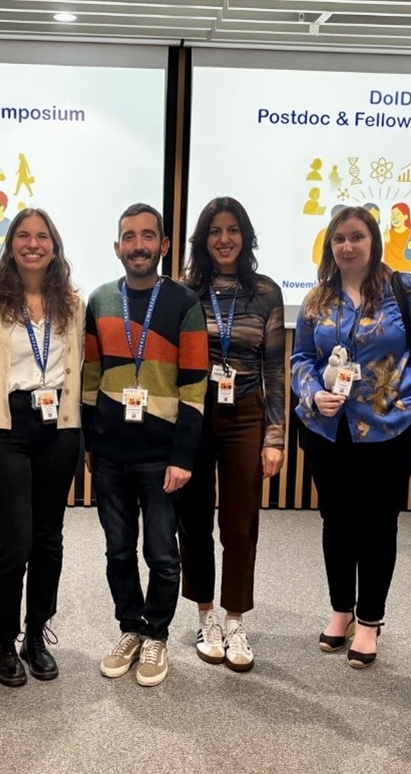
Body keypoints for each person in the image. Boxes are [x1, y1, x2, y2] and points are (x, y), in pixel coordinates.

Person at [291, 205, 411, 669]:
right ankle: (341, 610)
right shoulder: (317, 299)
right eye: (339, 238)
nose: (347, 246)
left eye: (356, 236)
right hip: (327, 430)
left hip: (388, 429)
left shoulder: (407, 290)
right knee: (336, 522)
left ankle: (370, 619)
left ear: (373, 240)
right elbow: (300, 360)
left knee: (377, 525)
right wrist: (313, 393)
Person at [0, 208, 84, 687]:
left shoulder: (71, 302)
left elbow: (78, 364)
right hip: (5, 426)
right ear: (10, 245)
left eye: (42, 236)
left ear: (54, 246)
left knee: (49, 539)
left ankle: (35, 633)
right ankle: (3, 640)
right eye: (24, 236)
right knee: (14, 542)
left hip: (59, 426)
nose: (33, 244)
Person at [84, 203, 209, 688]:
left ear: (164, 244)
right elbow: (90, 378)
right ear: (117, 246)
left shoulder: (184, 303)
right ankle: (130, 629)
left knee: (162, 554)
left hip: (161, 455)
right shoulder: (100, 300)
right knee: (118, 551)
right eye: (129, 237)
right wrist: (90, 443)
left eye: (148, 236)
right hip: (110, 453)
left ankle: (156, 634)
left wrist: (183, 456)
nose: (139, 245)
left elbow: (195, 387)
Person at [178, 196, 285, 672]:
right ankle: (206, 616)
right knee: (194, 517)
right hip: (194, 412)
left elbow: (274, 368)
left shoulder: (265, 292)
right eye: (215, 231)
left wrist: (275, 435)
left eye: (233, 230)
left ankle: (235, 618)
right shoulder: (186, 291)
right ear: (203, 240)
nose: (224, 239)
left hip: (245, 414)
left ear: (246, 236)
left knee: (241, 522)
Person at [383, 202, 411, 272]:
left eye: (398, 214)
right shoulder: (389, 233)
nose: (394, 217)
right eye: (393, 214)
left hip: (405, 273)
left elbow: (405, 255)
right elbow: (386, 257)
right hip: (389, 274)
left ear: (405, 216)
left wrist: (389, 242)